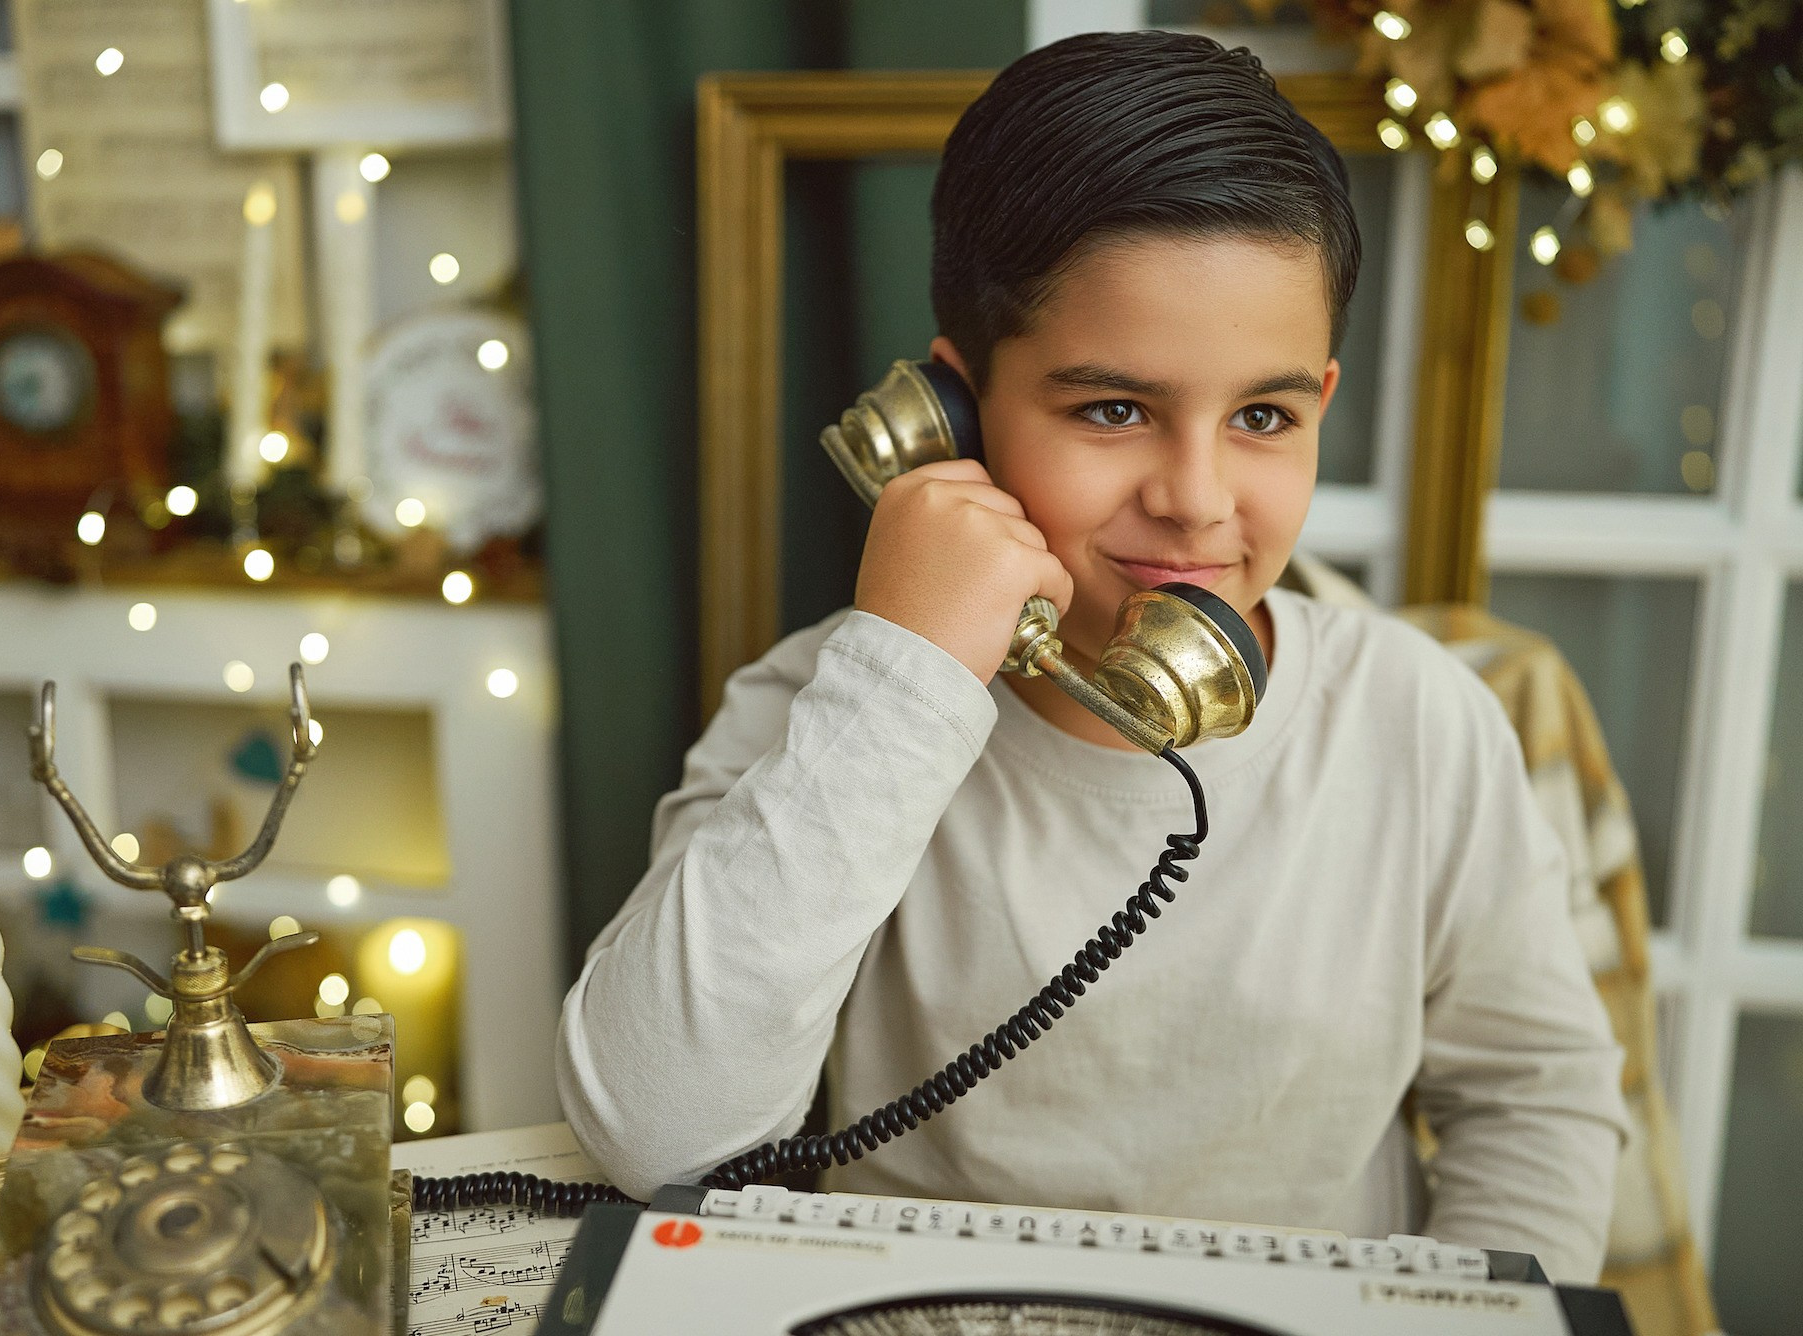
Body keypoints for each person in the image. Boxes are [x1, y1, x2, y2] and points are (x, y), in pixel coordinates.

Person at [554, 30, 1627, 1284]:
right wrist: (906, 675)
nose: (1195, 498)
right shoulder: (826, 710)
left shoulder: (1417, 722)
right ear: (949, 417)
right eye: (1112, 409)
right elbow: (654, 1129)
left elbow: (1534, 1097)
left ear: (1321, 402)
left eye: (1262, 417)